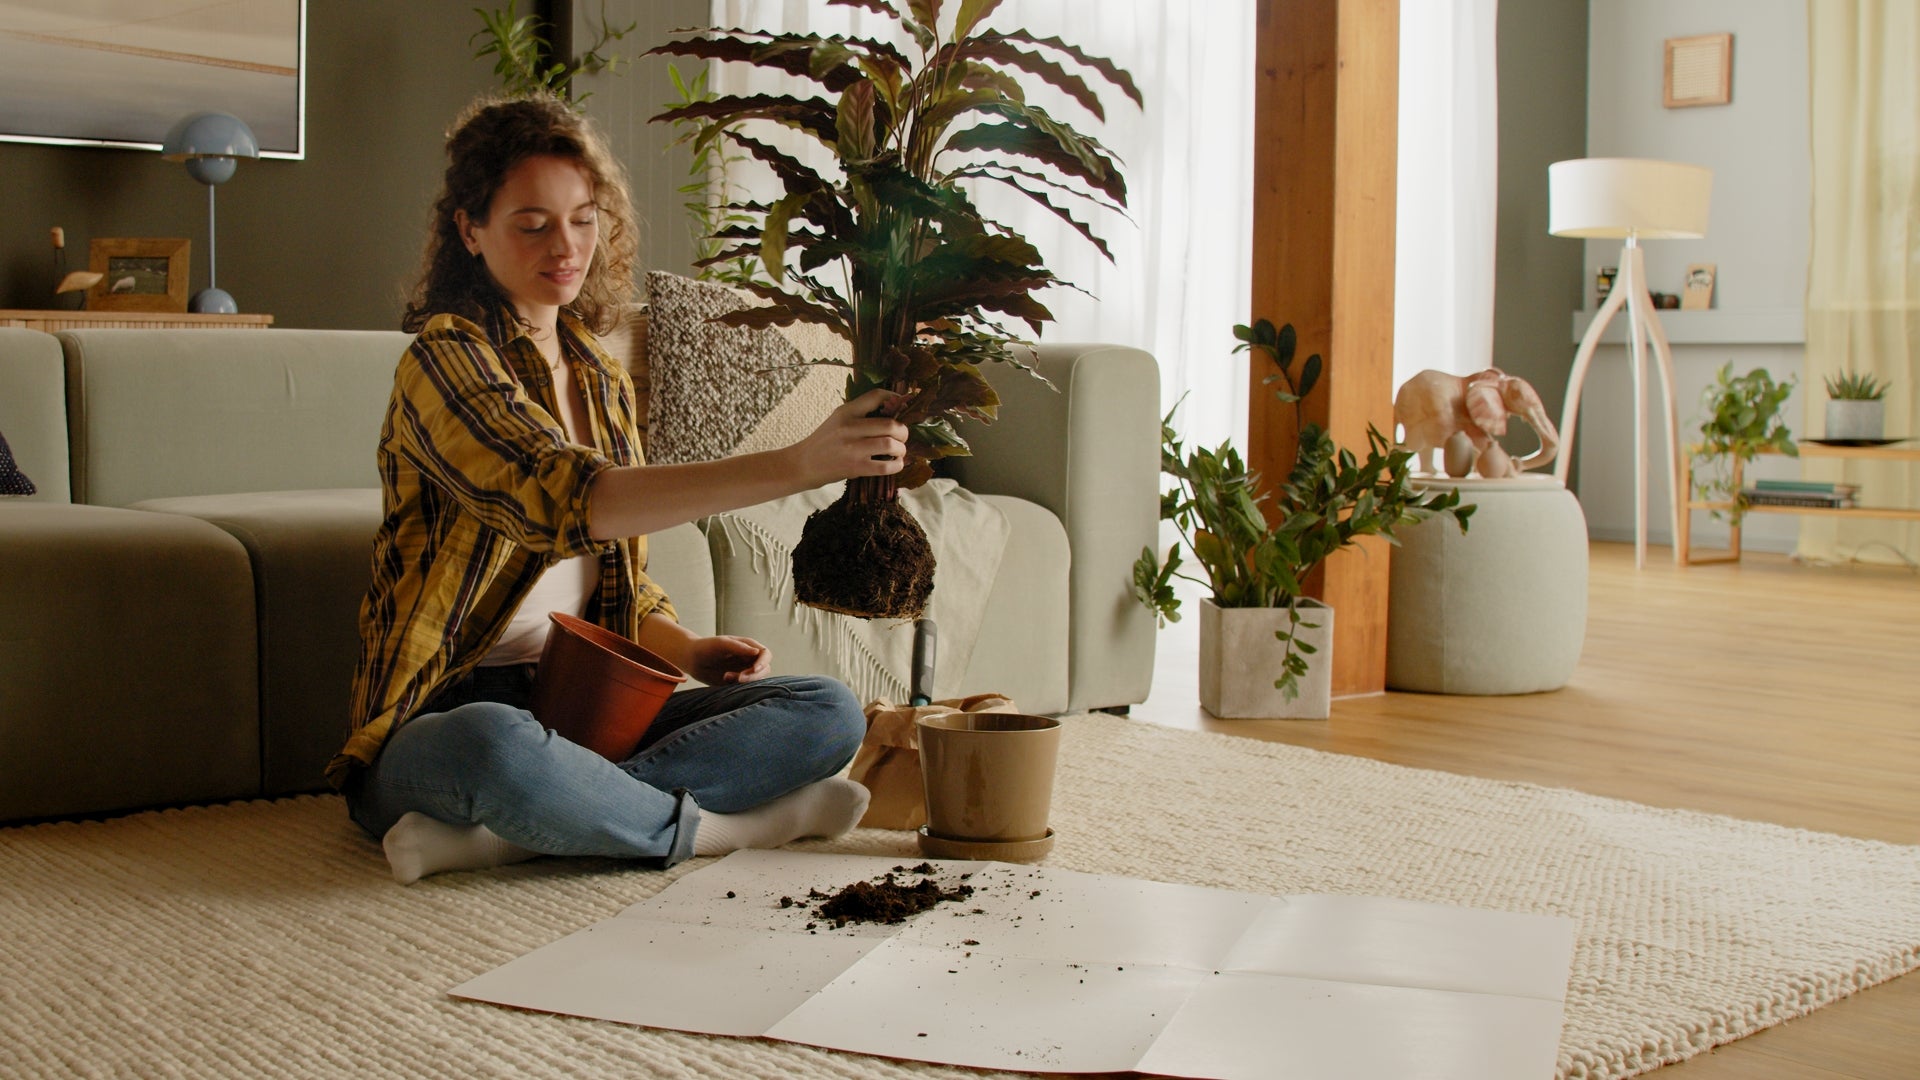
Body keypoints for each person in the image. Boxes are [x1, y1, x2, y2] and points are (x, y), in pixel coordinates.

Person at [326, 94, 905, 885]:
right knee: (492, 746)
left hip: (590, 706)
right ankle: (723, 831)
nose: (566, 246)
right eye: (532, 223)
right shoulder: (444, 360)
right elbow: (568, 500)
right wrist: (797, 464)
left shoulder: (598, 374)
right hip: (447, 717)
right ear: (470, 231)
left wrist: (690, 650)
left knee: (825, 712)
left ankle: (521, 835)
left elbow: (615, 581)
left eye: (584, 217)